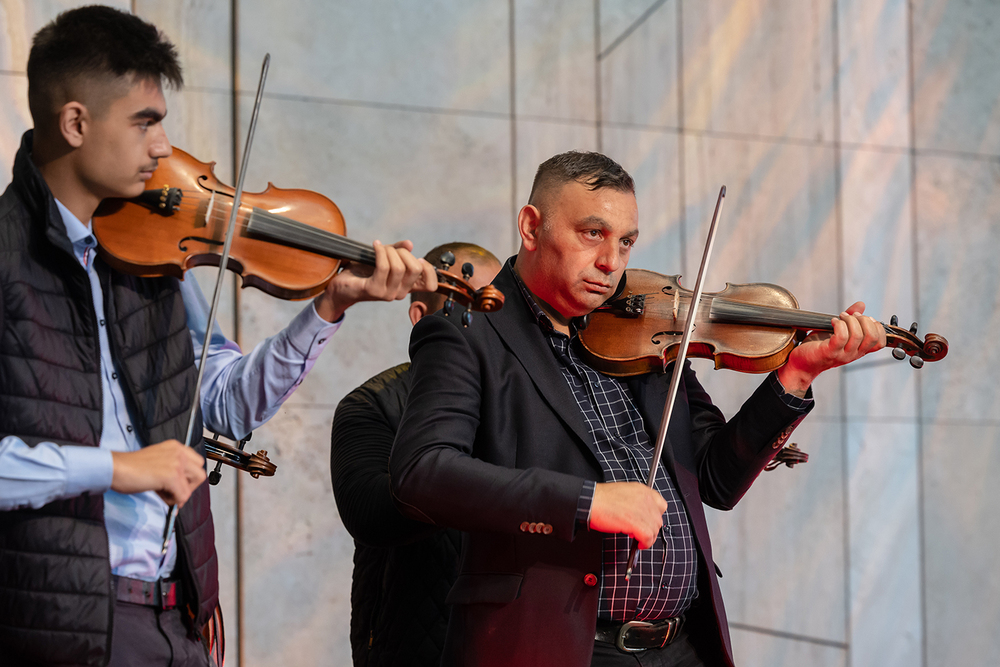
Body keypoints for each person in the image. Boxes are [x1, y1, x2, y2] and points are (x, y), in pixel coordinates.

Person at [0, 7, 436, 667]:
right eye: (144, 122)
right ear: (75, 123)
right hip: (55, 621)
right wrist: (117, 467)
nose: (161, 146)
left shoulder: (150, 259)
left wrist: (328, 305)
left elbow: (226, 403)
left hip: (177, 613)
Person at [389, 151, 885, 667]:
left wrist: (797, 374)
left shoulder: (645, 332)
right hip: (560, 648)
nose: (612, 262)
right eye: (592, 234)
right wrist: (587, 502)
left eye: (626, 241)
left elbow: (716, 480)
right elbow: (422, 474)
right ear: (531, 227)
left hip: (682, 646)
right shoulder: (468, 330)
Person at [331, 242, 501, 667]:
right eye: (469, 311)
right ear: (420, 318)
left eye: (500, 312)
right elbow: (368, 513)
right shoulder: (372, 403)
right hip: (409, 644)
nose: (490, 330)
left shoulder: (531, 395)